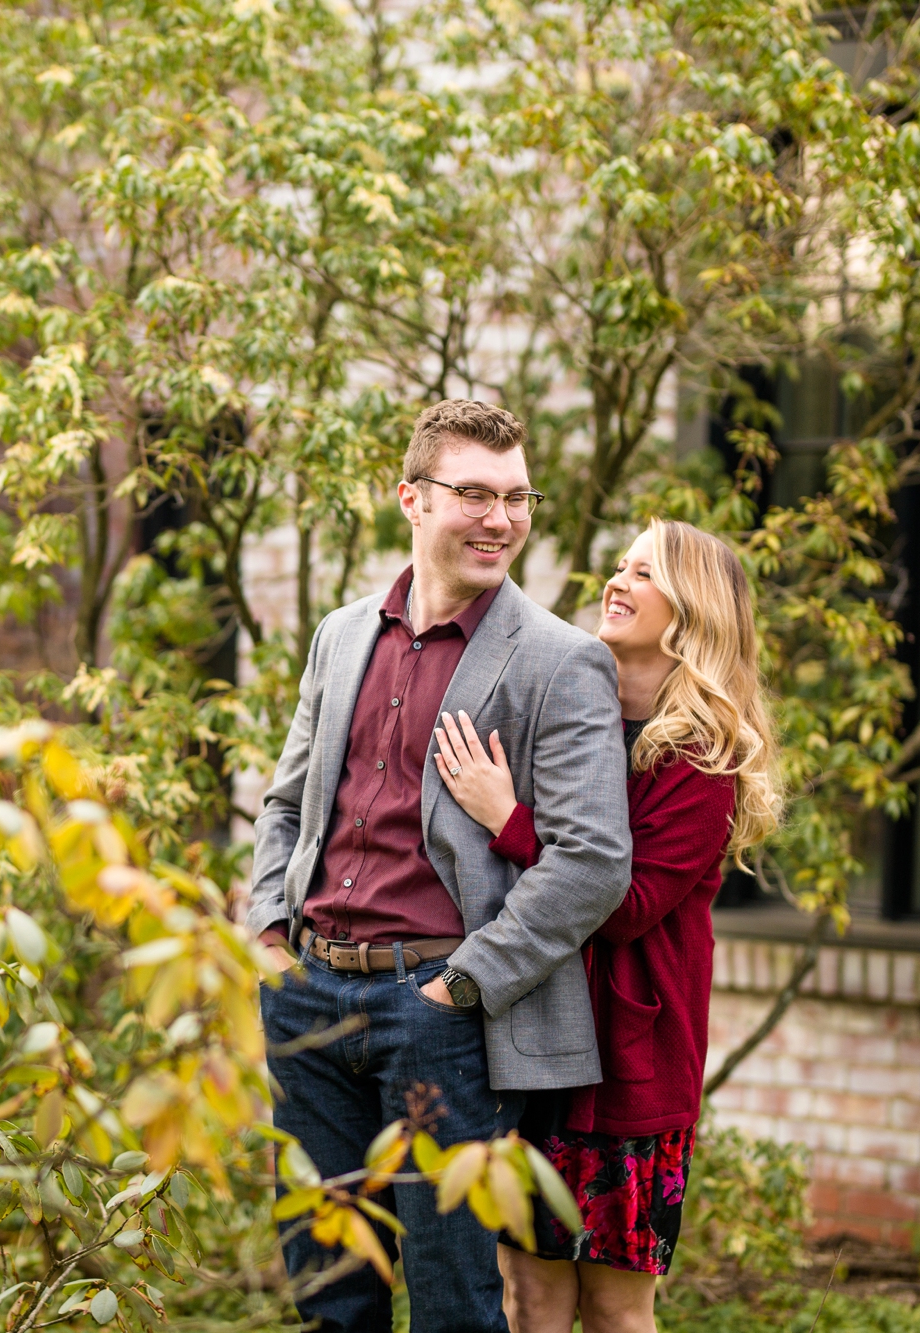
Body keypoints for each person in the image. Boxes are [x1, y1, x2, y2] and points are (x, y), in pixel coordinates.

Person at [248, 399, 634, 1333]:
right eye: (473, 494)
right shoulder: (341, 636)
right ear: (411, 499)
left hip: (439, 1014)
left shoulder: (560, 661)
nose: (499, 519)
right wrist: (266, 931)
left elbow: (593, 861)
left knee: (456, 1301)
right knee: (329, 1295)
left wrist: (461, 986)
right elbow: (288, 802)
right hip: (306, 997)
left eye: (516, 497)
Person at [429, 517, 783, 1333]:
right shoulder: (567, 712)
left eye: (644, 573)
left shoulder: (702, 759)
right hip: (532, 1042)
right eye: (618, 565)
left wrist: (507, 816)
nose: (615, 582)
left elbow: (618, 907)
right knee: (530, 1295)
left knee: (617, 1309)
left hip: (626, 1072)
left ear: (693, 609)